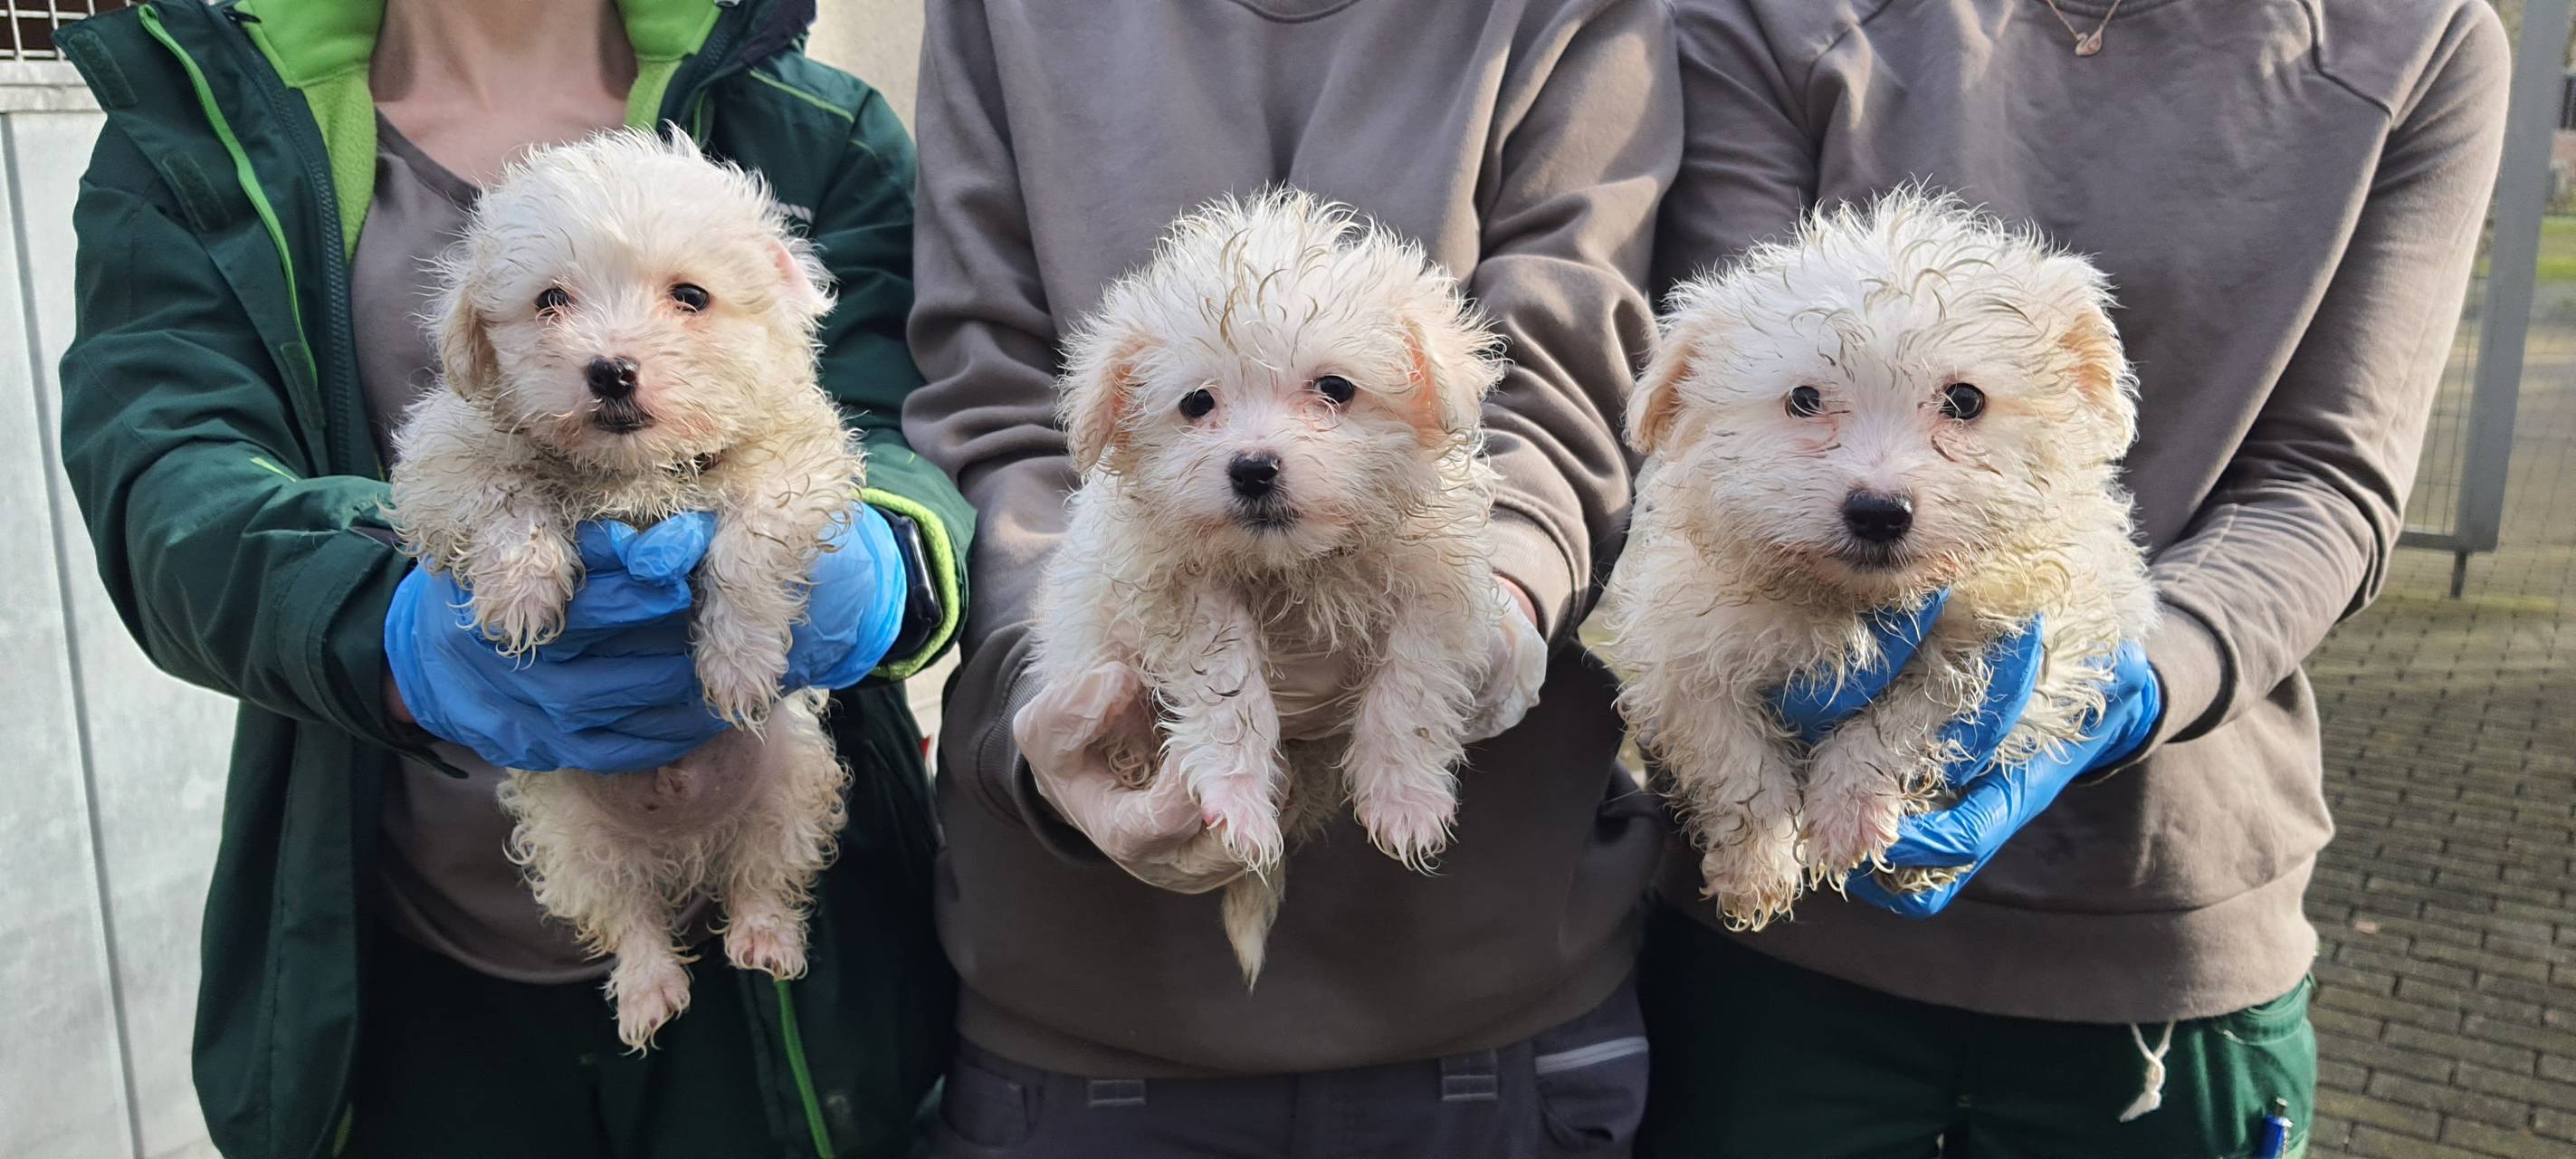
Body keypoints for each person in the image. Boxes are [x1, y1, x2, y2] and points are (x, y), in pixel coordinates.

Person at [54, 1, 972, 1155]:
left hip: (810, 986)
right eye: (550, 304)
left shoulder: (812, 126)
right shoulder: (193, 118)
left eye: (685, 298)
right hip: (400, 957)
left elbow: (937, 422)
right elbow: (163, 470)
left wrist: (883, 554)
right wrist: (383, 629)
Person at [1638, 1, 2508, 1156]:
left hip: (2158, 928)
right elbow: (1712, 408)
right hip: (1771, 950)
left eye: (1957, 407)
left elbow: (2323, 475)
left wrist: (2144, 672)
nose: (1886, 474)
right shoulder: (1774, 15)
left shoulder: (2415, 36)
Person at [902, 1, 1677, 1154]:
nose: (1258, 447)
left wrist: (1492, 617)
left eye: (1326, 392)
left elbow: (1562, 384)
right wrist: (1052, 702)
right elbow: (995, 407)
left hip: (1493, 978)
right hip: (1082, 997)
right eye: (1203, 406)